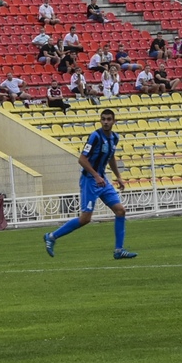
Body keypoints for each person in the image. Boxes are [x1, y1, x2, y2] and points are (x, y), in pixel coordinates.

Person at [44, 109, 138, 260]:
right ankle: (52, 236)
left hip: (103, 180)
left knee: (120, 211)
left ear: (114, 121)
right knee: (85, 219)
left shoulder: (114, 137)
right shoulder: (95, 136)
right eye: (103, 119)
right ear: (100, 121)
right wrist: (95, 175)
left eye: (109, 119)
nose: (106, 122)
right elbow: (82, 159)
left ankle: (119, 250)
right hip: (90, 180)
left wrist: (118, 176)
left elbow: (111, 157)